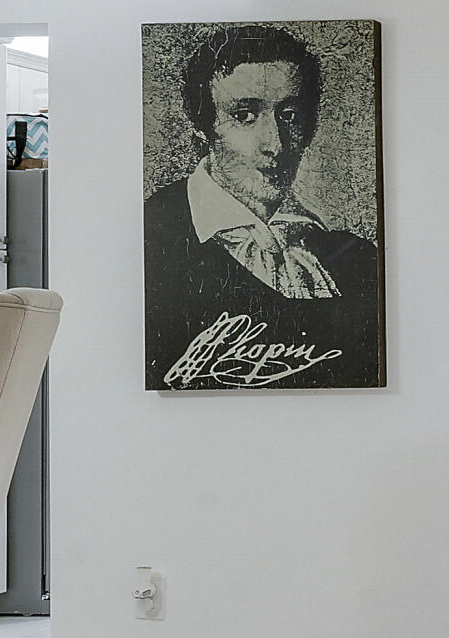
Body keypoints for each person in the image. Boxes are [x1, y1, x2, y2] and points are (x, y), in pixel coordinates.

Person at [141, 25, 383, 388]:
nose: (276, 144)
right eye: (245, 115)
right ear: (204, 130)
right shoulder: (153, 240)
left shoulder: (355, 259)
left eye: (289, 116)